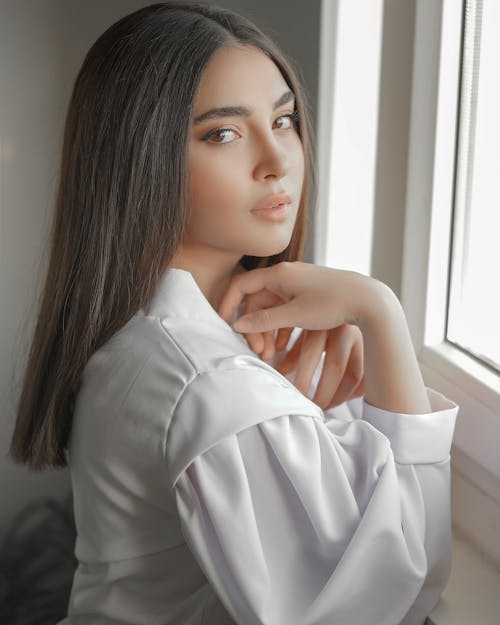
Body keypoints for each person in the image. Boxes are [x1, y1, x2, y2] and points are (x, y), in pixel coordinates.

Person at [10, 2, 458, 624]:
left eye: (284, 119)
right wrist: (379, 311)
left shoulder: (144, 328)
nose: (278, 160)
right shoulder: (211, 382)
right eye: (222, 133)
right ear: (142, 157)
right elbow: (393, 594)